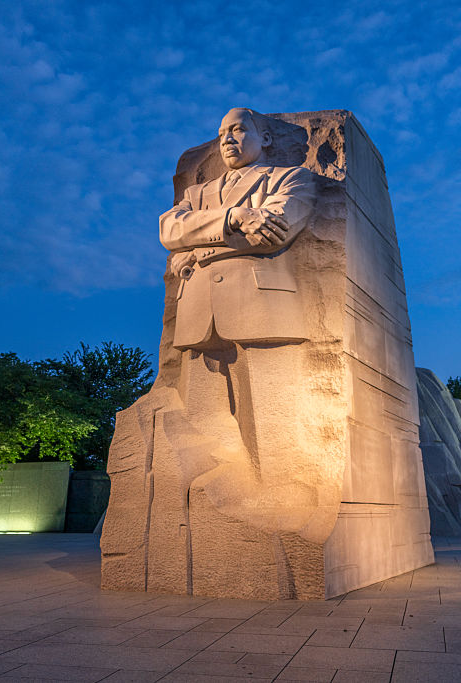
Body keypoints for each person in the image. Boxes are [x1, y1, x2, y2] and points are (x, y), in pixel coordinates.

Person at [157, 108, 337, 552]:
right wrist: (235, 218)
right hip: (199, 317)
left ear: (266, 139)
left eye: (238, 130)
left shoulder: (290, 179)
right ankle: (214, 515)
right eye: (222, 133)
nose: (228, 140)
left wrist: (196, 251)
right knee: (203, 424)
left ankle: (283, 512)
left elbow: (273, 235)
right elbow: (168, 229)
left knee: (272, 422)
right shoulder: (198, 192)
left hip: (262, 308)